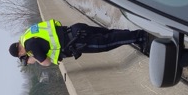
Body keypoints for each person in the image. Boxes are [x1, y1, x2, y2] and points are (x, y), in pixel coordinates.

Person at [9, 19, 147, 66]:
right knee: (108, 33)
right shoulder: (27, 33)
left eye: (22, 56)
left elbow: (46, 62)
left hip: (76, 42)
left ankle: (139, 37)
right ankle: (136, 34)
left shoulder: (29, 47)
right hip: (75, 29)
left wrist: (34, 59)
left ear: (19, 52)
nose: (24, 56)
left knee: (106, 43)